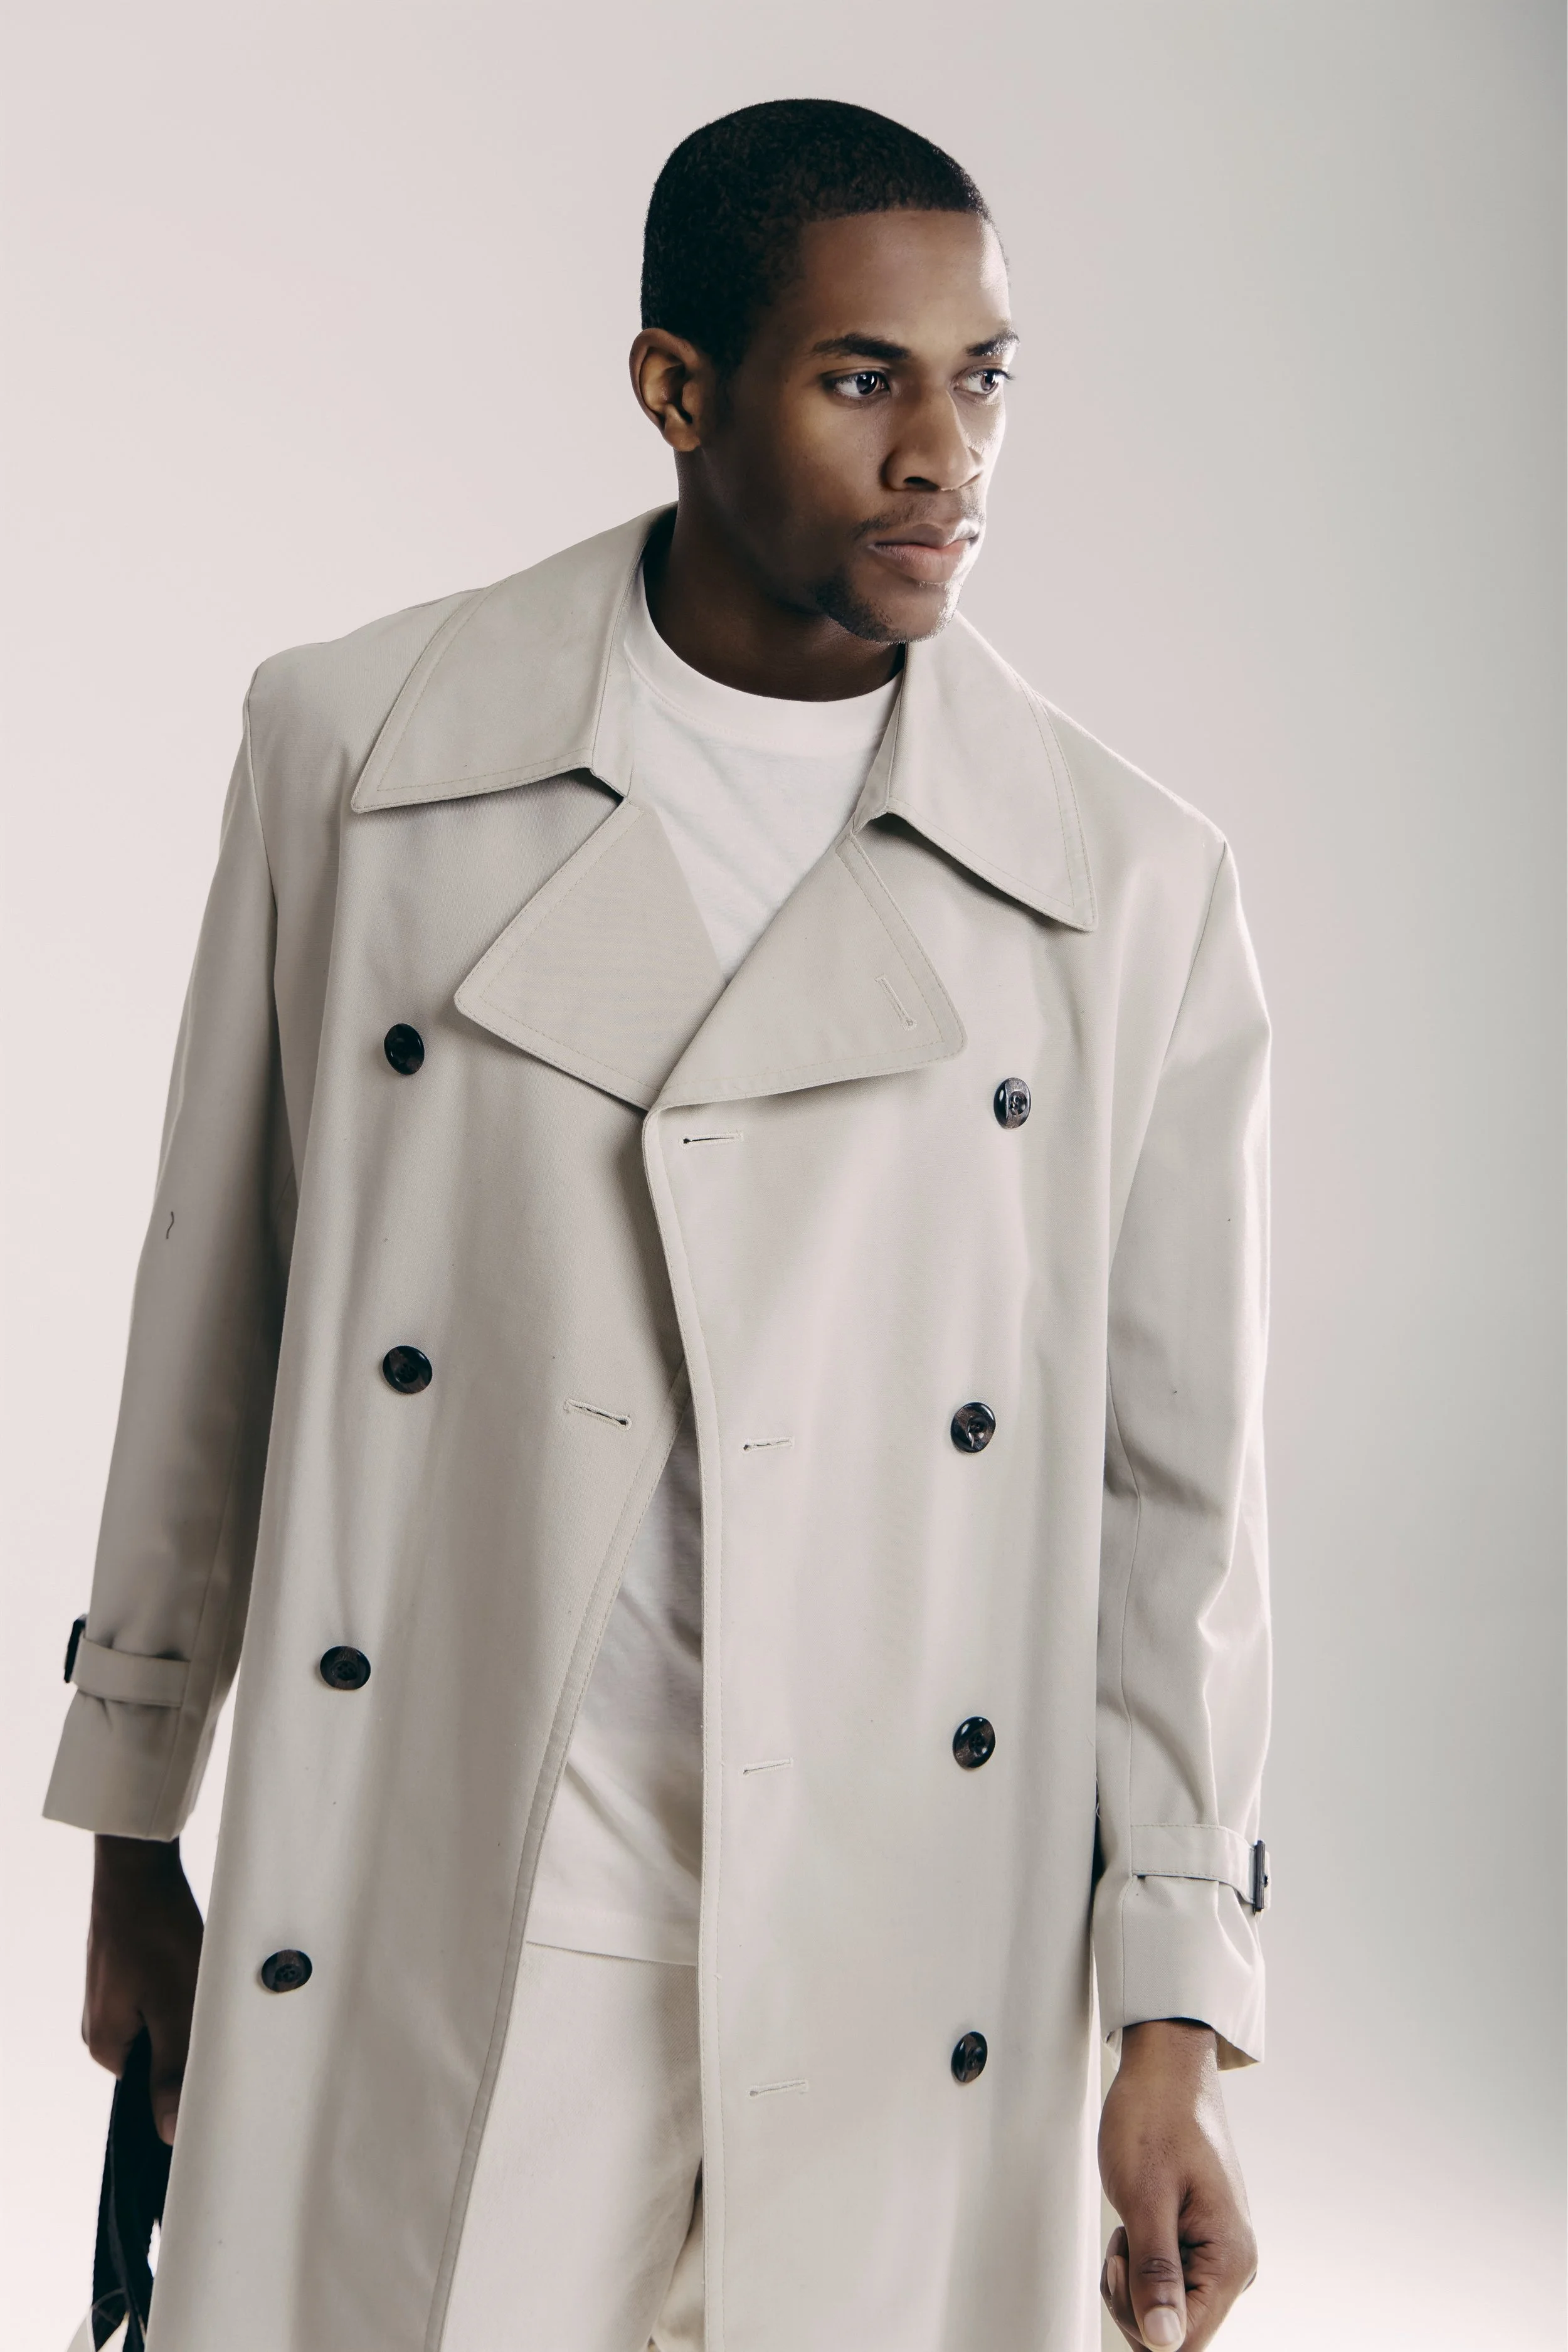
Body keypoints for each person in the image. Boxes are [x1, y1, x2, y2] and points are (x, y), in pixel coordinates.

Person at [48, 98, 1271, 2352]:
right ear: (677, 388)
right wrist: (138, 1832)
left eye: (982, 376)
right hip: (455, 1876)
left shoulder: (1126, 887)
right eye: (859, 375)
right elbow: (214, 1302)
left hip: (910, 1928)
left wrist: (1175, 2018)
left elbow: (1169, 1510)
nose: (941, 452)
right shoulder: (360, 749)